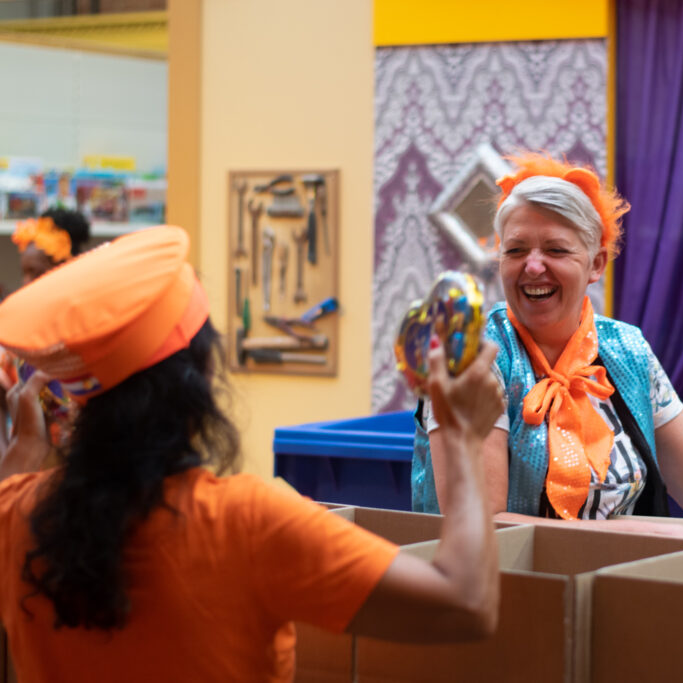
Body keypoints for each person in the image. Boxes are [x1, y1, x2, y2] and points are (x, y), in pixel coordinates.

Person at [0, 226, 505, 681]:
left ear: (78, 397)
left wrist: (23, 447)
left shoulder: (19, 517)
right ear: (198, 380)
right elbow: (465, 603)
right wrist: (461, 437)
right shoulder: (247, 521)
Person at [412, 153, 683, 544]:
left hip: (619, 575)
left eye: (556, 250)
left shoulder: (627, 350)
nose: (533, 266)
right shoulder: (469, 358)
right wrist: (634, 534)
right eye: (516, 250)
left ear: (597, 264)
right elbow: (482, 525)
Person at [0, 208, 92, 451]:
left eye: (36, 272)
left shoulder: (90, 332)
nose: (26, 283)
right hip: (30, 463)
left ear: (64, 269)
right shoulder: (18, 343)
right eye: (24, 273)